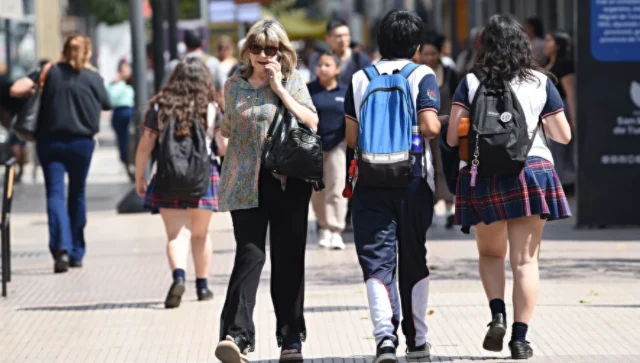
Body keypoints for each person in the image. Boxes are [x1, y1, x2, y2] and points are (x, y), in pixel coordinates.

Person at [447, 14, 572, 360]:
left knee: (490, 254)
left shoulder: (471, 82)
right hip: (532, 170)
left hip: (482, 172)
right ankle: (520, 339)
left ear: (484, 45)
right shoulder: (540, 81)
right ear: (523, 45)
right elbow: (563, 135)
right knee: (525, 262)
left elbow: (451, 135)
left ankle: (497, 315)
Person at [214, 19, 318, 363]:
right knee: (250, 255)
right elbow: (227, 129)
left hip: (289, 181)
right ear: (247, 51)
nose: (262, 54)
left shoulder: (293, 81)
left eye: (270, 49)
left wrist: (279, 89)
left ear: (281, 52)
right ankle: (236, 335)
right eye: (256, 48)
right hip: (245, 182)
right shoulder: (234, 84)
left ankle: (291, 337)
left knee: (288, 259)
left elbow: (311, 121)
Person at [344, 10, 441, 363]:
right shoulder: (422, 74)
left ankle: (385, 339)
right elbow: (429, 127)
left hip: (369, 180)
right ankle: (417, 343)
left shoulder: (359, 78)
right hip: (413, 179)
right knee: (414, 257)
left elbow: (352, 137)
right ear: (416, 45)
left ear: (379, 42)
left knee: (376, 262)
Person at [10, 33, 111, 273]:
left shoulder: (49, 72)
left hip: (50, 143)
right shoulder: (93, 76)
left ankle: (61, 251)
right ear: (87, 52)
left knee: (55, 194)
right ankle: (77, 252)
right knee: (77, 193)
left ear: (64, 50)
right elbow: (107, 103)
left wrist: (37, 81)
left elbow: (16, 89)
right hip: (82, 144)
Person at [134, 57, 220, 309]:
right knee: (200, 234)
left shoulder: (161, 107)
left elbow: (145, 146)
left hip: (167, 175)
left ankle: (179, 277)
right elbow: (223, 146)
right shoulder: (212, 106)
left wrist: (140, 175)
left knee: (175, 234)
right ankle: (203, 287)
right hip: (204, 175)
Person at [308, 51, 349, 249]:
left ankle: (336, 229)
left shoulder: (345, 91)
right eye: (320, 65)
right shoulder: (309, 91)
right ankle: (323, 226)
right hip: (313, 146)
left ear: (337, 69)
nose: (322, 68)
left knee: (337, 187)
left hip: (338, 145)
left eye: (327, 65)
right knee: (317, 190)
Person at [418, 33, 458, 228]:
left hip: (447, 127)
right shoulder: (416, 73)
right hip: (424, 127)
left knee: (446, 165)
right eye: (426, 54)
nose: (430, 58)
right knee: (428, 166)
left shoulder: (450, 72)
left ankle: (450, 208)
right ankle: (429, 206)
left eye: (433, 54)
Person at [544, 31, 576, 194]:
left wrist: (573, 119)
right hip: (547, 112)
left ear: (558, 45)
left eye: (549, 40)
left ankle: (564, 184)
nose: (545, 43)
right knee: (550, 149)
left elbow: (570, 92)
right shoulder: (546, 63)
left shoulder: (564, 65)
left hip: (560, 110)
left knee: (559, 150)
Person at [163, 30, 226, 99]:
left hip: (181, 106)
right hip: (207, 105)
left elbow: (165, 90)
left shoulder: (174, 65)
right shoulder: (213, 63)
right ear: (202, 43)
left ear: (185, 44)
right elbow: (223, 88)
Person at [308, 19, 371, 86]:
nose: (343, 40)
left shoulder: (360, 59)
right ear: (327, 38)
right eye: (338, 36)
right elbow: (314, 81)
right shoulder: (318, 58)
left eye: (346, 35)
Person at [108, 59, 135, 181]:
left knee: (133, 140)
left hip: (131, 112)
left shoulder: (134, 82)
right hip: (119, 112)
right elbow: (110, 98)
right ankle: (126, 162)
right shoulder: (115, 84)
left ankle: (133, 163)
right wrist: (118, 82)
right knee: (123, 142)